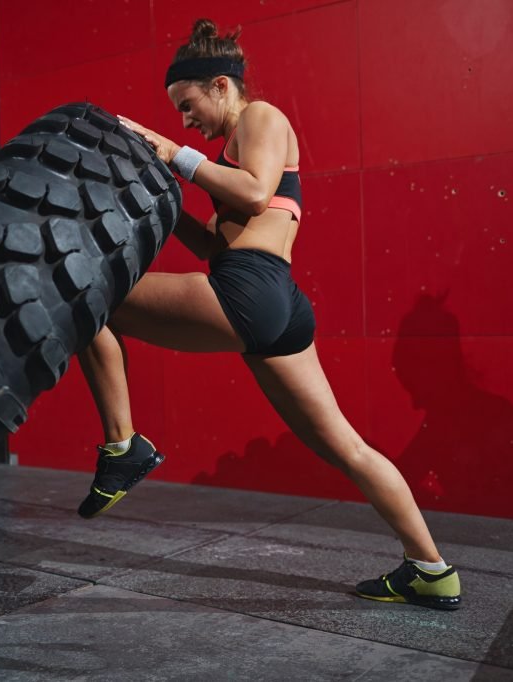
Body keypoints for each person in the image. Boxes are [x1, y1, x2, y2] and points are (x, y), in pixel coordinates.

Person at [74, 18, 461, 610]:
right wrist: (166, 191)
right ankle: (431, 569)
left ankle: (124, 447)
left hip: (250, 292)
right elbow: (217, 242)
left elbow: (255, 193)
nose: (186, 122)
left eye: (189, 104)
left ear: (223, 86)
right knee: (346, 448)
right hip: (276, 305)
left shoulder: (261, 117)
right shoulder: (235, 147)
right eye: (178, 115)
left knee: (86, 296)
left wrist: (172, 154)